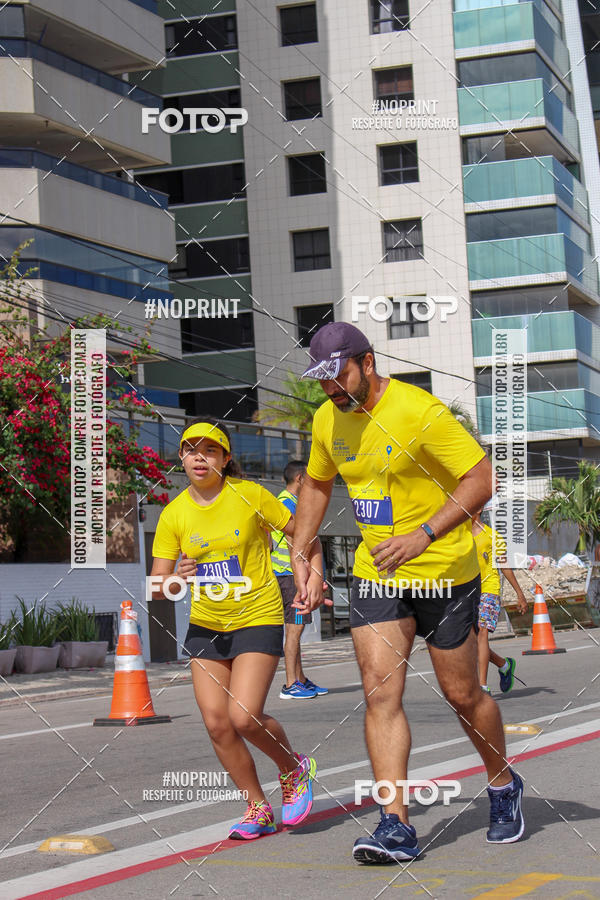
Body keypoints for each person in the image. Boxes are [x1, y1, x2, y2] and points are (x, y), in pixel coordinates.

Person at [290, 322, 525, 863]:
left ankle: (502, 782)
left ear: (366, 364)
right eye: (323, 380)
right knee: (380, 692)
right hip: (379, 576)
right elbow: (319, 486)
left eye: (339, 375)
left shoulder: (419, 412)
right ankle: (394, 825)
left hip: (444, 571)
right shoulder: (328, 418)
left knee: (464, 695)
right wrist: (303, 555)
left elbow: (482, 479)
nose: (331, 389)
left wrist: (425, 535)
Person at [150, 418, 322, 840]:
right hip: (206, 625)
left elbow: (306, 535)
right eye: (192, 450)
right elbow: (159, 586)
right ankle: (257, 807)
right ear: (182, 458)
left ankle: (293, 769)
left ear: (225, 460)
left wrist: (314, 575)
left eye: (210, 451)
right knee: (217, 723)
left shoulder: (250, 497)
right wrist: (180, 578)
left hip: (257, 614)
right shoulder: (174, 514)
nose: (199, 457)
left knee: (244, 716)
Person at [271, 460, 328, 699]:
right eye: (310, 478)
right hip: (289, 576)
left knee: (298, 627)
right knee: (294, 630)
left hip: (291, 576)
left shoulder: (288, 502)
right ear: (300, 478)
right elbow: (296, 541)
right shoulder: (286, 504)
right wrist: (302, 577)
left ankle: (301, 680)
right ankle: (290, 684)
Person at [471, 508, 528, 694]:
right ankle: (504, 666)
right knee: (472, 642)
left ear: (478, 509)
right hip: (468, 591)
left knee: (482, 633)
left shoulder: (492, 536)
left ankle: (483, 686)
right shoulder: (458, 534)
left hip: (489, 589)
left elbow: (504, 564)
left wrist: (519, 593)